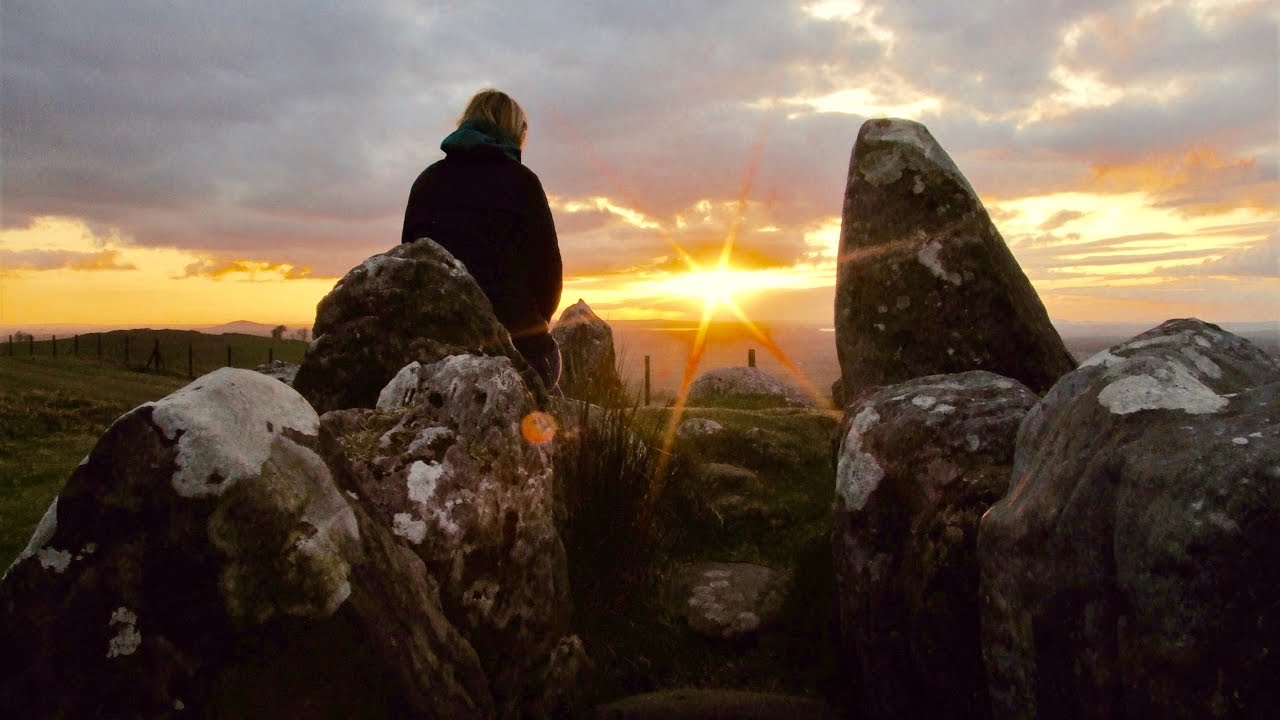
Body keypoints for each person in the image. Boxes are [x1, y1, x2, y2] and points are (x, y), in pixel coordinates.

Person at [401, 89, 563, 390]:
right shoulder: (523, 182)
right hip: (516, 349)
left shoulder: (426, 181)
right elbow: (549, 278)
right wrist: (530, 323)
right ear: (514, 131)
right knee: (549, 363)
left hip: (431, 353)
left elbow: (410, 265)